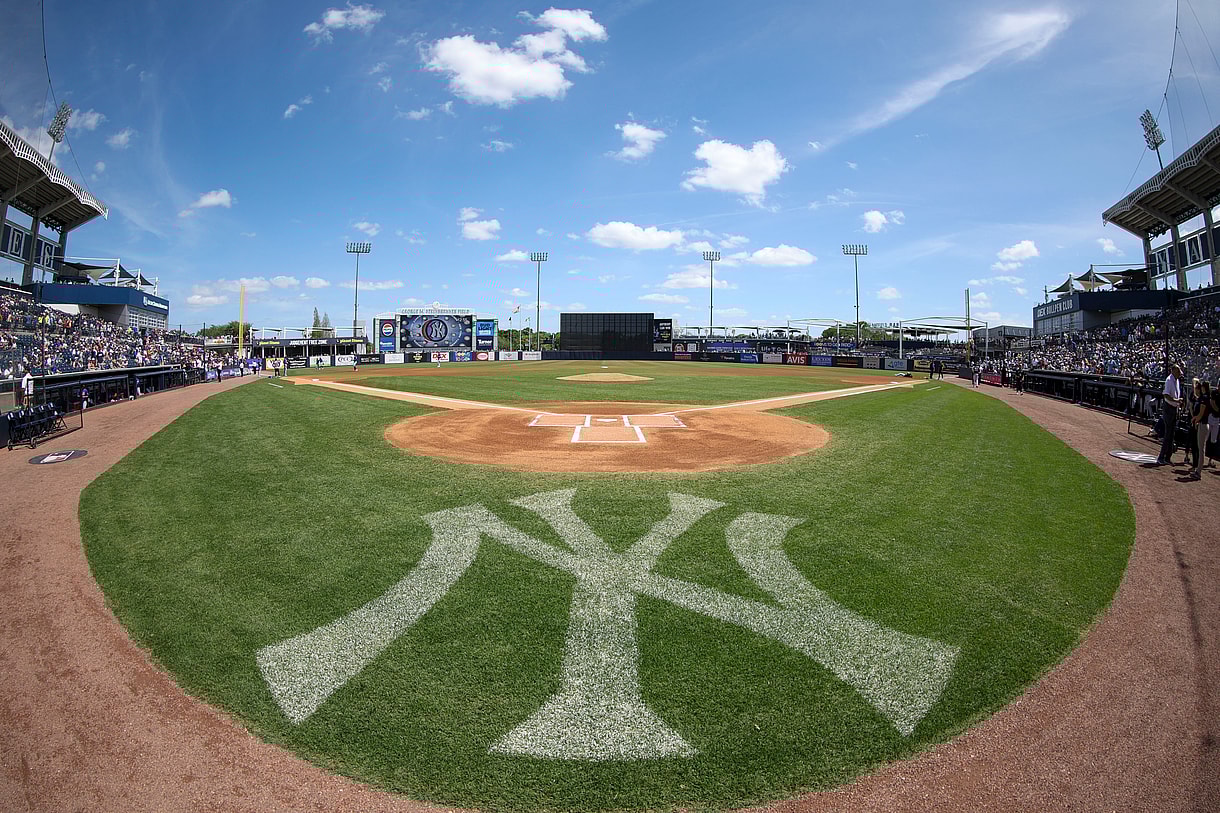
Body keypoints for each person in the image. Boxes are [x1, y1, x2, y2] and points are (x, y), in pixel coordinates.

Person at [1155, 363, 1183, 466]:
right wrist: (1177, 400)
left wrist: (1178, 403)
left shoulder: (1176, 380)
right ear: (1173, 371)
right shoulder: (1169, 380)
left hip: (1174, 408)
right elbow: (1166, 395)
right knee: (1168, 434)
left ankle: (1168, 457)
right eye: (1178, 371)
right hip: (1168, 408)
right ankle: (1161, 457)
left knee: (1172, 434)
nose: (1180, 373)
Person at [1188, 379, 1210, 480]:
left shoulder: (1204, 398)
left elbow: (1201, 414)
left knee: (1201, 449)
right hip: (1201, 424)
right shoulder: (1202, 397)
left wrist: (1194, 419)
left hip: (1203, 424)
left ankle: (1198, 472)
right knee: (1200, 448)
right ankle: (1198, 470)